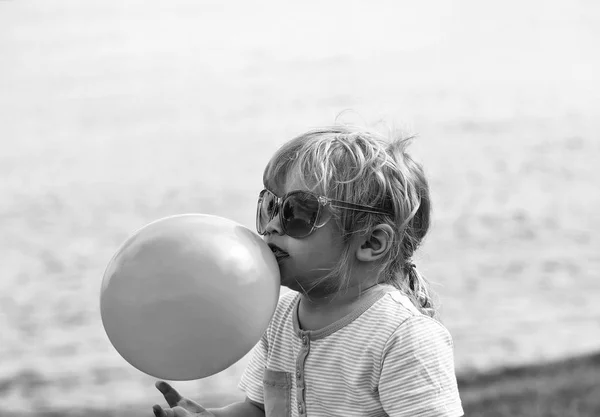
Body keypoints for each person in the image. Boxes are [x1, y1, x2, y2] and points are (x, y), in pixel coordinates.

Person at [152, 124, 464, 417]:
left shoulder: (402, 337)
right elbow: (259, 409)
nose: (272, 226)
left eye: (297, 213)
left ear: (370, 242)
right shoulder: (278, 317)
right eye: (269, 207)